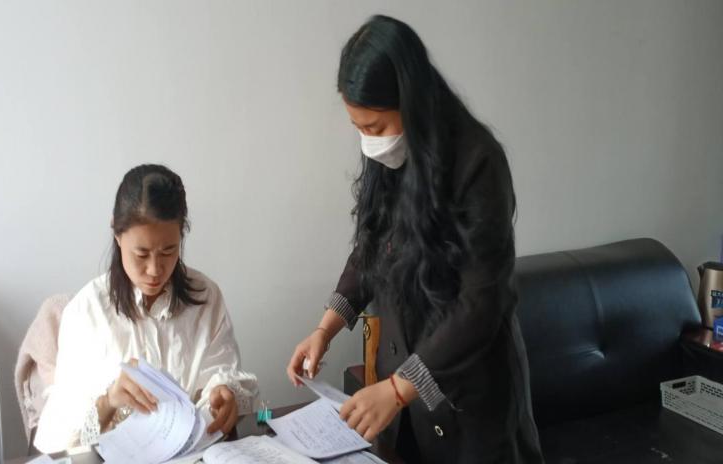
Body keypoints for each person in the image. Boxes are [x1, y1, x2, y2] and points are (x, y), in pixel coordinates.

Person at [286, 15, 543, 463]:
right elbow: (371, 245)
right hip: (405, 397)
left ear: (413, 102)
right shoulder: (393, 155)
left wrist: (398, 388)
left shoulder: (477, 164)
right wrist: (326, 327)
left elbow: (481, 303)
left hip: (469, 399)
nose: (368, 143)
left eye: (375, 128)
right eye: (358, 128)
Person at [35, 164, 257, 453]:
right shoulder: (86, 313)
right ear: (117, 234)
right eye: (141, 254)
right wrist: (108, 401)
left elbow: (221, 375)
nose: (155, 269)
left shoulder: (205, 297)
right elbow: (61, 437)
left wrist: (223, 396)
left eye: (169, 251)